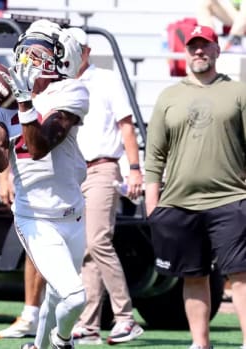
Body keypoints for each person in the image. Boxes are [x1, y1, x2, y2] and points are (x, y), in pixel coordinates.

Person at [0, 19, 90, 349]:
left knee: (58, 294)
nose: (28, 61)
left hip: (74, 213)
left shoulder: (70, 91)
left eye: (37, 55)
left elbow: (39, 146)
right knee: (75, 296)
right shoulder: (4, 100)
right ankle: (62, 341)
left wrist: (23, 101)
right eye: (25, 53)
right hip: (34, 217)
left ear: (59, 60)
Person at [145, 24, 246, 349]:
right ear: (186, 51)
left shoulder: (238, 91)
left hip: (231, 199)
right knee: (193, 275)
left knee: (241, 275)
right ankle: (200, 344)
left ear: (217, 50)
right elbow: (155, 155)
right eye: (193, 46)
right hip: (179, 203)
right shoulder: (169, 96)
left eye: (205, 46)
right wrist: (152, 205)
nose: (199, 51)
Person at [65, 27, 145, 345]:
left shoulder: (106, 80)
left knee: (98, 242)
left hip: (102, 167)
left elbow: (126, 126)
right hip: (76, 172)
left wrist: (135, 170)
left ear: (84, 51)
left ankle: (125, 317)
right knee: (87, 249)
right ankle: (88, 323)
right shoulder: (66, 83)